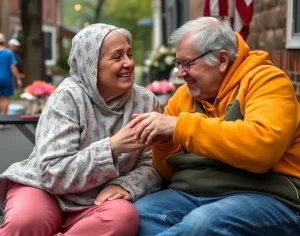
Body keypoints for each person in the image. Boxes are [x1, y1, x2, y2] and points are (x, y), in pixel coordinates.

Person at [132, 17, 300, 235]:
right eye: (178, 63)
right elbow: (168, 171)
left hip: (267, 195)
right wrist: (163, 143)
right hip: (192, 194)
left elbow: (263, 147)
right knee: (138, 215)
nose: (180, 73)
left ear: (221, 59)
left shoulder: (267, 81)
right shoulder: (182, 96)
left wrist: (180, 127)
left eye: (187, 64)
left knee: (202, 223)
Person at [0, 24, 162, 236]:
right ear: (91, 63)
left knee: (123, 217)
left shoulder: (145, 101)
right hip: (44, 189)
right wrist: (112, 147)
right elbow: (52, 173)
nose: (129, 63)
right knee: (26, 220)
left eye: (129, 54)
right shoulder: (66, 98)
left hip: (99, 198)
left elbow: (154, 163)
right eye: (117, 57)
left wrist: (128, 185)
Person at [0, 33, 22, 115]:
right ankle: (3, 118)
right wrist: (18, 78)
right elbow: (13, 67)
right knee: (6, 98)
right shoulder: (9, 53)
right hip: (6, 79)